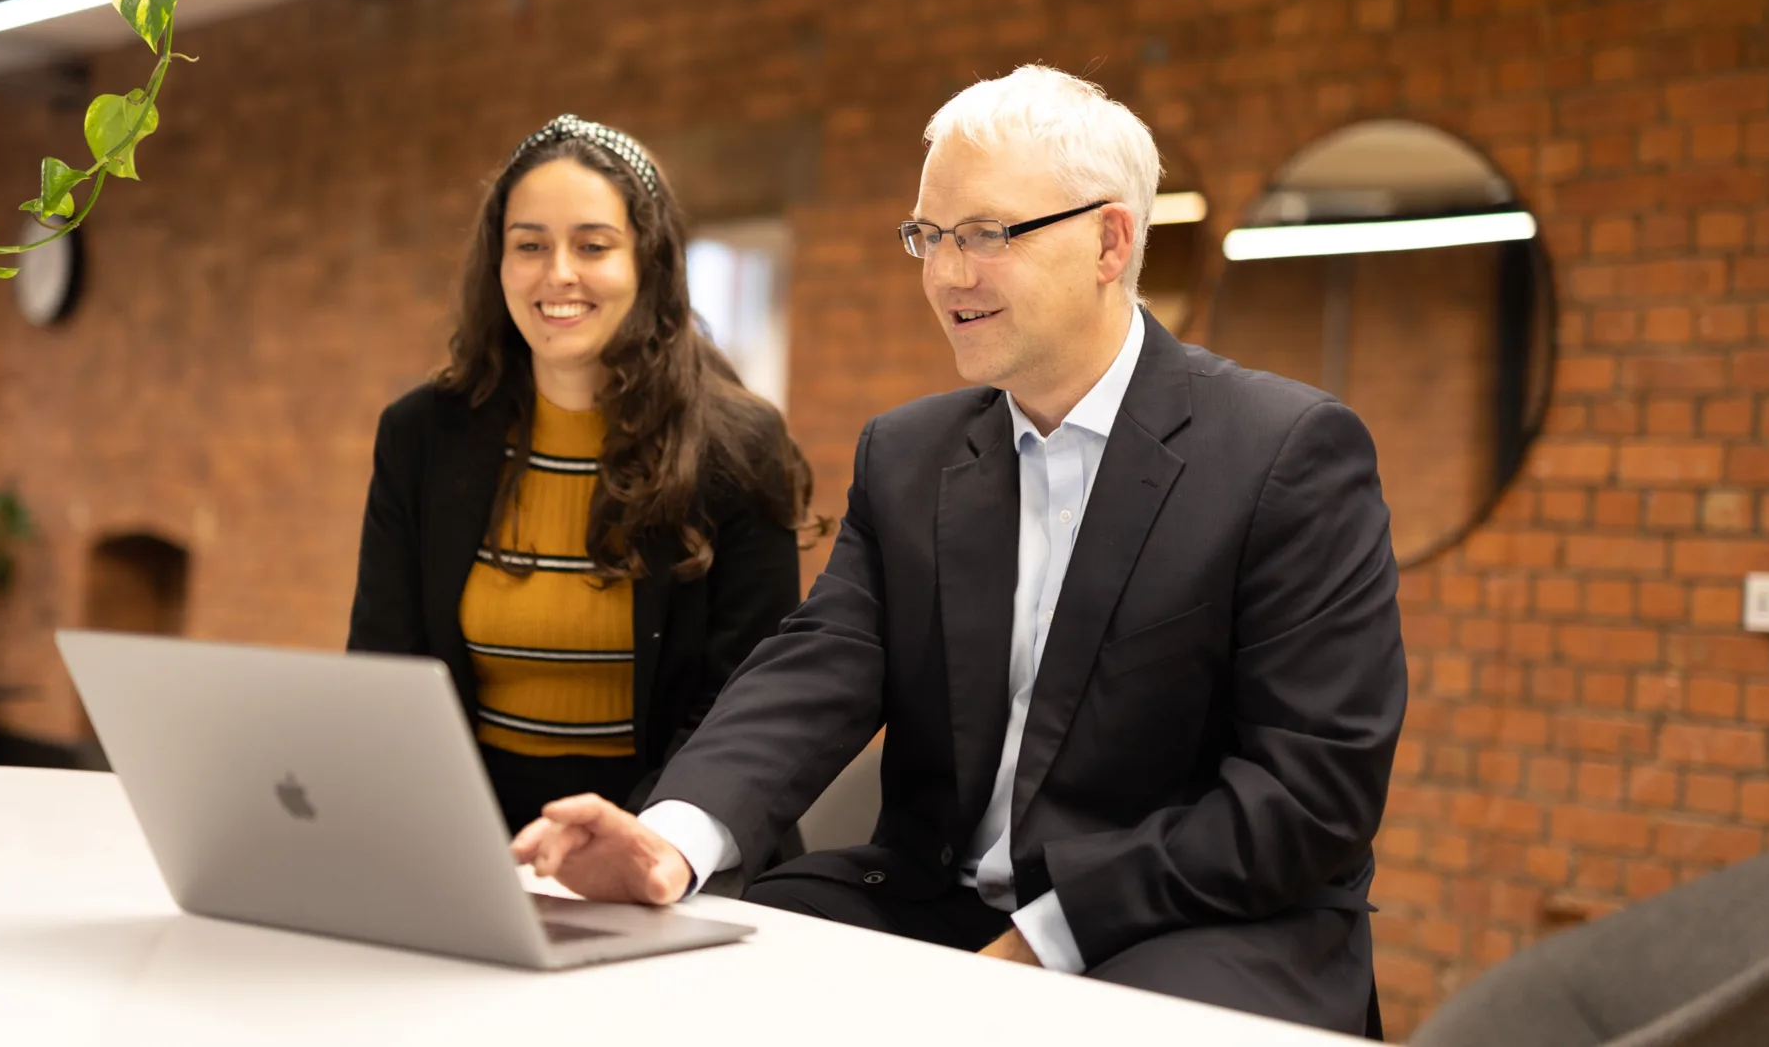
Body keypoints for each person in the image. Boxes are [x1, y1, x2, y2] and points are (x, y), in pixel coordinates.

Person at [510, 68, 1408, 1038]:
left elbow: (1310, 794)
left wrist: (1042, 938)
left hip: (1195, 921)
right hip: (940, 901)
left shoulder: (1283, 452)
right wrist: (666, 845)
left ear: (1110, 241)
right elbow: (815, 672)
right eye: (926, 237)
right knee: (672, 990)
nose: (944, 275)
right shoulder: (910, 455)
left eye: (984, 235)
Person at [348, 115, 823, 835]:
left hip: (665, 833)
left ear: (648, 262)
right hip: (464, 832)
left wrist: (645, 842)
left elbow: (743, 704)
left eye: (593, 246)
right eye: (530, 245)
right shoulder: (422, 435)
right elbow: (385, 674)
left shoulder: (736, 445)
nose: (558, 272)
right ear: (498, 262)